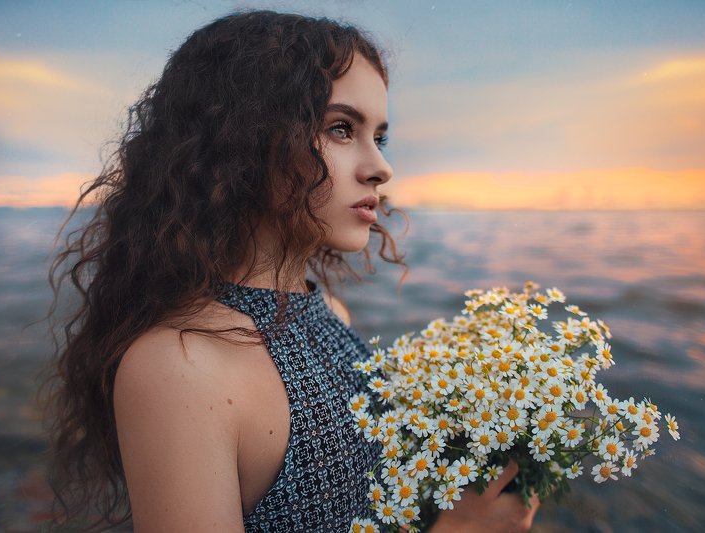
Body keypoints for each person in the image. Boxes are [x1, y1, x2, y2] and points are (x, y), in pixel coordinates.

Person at [45, 10, 539, 532]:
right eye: (341, 129)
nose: (381, 167)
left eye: (380, 136)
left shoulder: (326, 307)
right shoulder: (180, 366)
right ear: (244, 139)